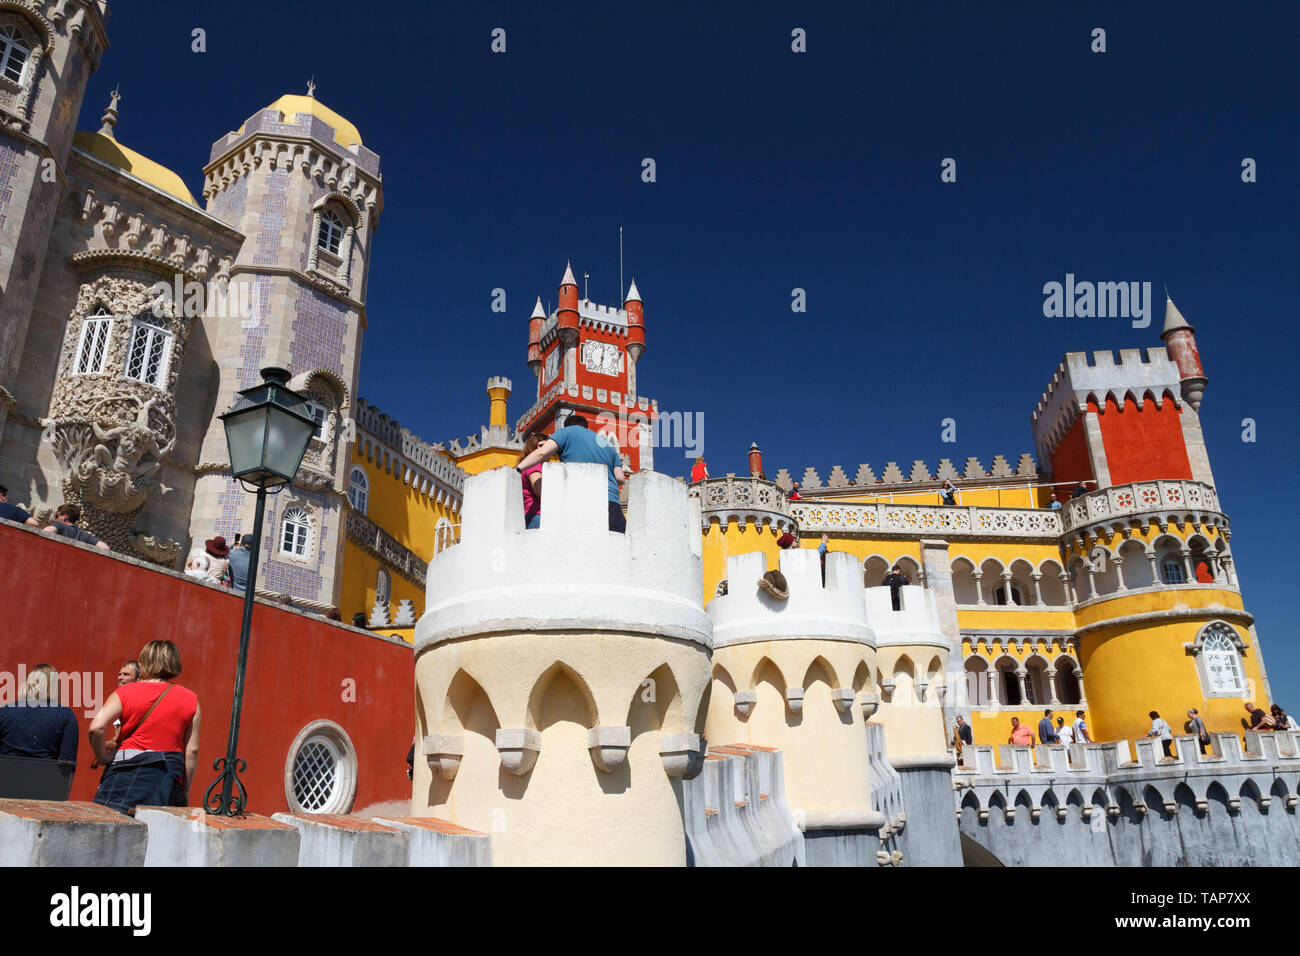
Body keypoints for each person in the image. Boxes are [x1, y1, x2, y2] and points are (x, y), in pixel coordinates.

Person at [89, 640, 200, 815]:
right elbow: (191, 750)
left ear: (143, 663)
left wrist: (102, 757)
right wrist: (185, 790)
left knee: (111, 830)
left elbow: (96, 728)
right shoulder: (191, 699)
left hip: (123, 774)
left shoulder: (125, 692)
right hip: (165, 777)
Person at [514, 415, 629, 532]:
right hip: (612, 503)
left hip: (583, 501)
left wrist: (516, 469)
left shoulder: (566, 432)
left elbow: (542, 453)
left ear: (567, 426)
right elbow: (620, 478)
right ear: (586, 427)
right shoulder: (607, 444)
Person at [0, 664, 78, 764]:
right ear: (54, 687)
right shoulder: (66, 715)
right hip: (44, 777)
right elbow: (67, 763)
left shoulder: (4, 711)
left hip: (5, 776)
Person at [42, 504, 110, 550]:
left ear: (65, 516)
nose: (56, 519)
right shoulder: (84, 535)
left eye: (57, 516)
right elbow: (105, 548)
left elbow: (46, 531)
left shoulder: (60, 526)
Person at [518, 432, 548, 529]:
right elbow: (539, 490)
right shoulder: (534, 464)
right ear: (533, 447)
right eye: (541, 446)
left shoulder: (527, 465)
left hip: (531, 515)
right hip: (537, 515)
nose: (546, 449)